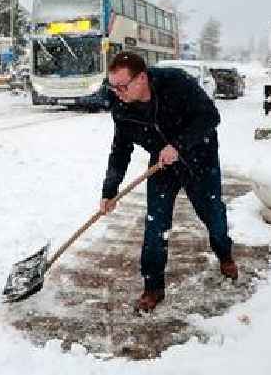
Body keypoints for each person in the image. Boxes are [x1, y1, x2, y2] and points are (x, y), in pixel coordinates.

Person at [99, 51, 237, 312]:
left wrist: (179, 145)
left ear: (141, 78)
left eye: (122, 86)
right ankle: (153, 287)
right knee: (155, 225)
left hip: (199, 158)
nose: (117, 92)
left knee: (212, 214)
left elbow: (210, 117)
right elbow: (120, 150)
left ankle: (224, 254)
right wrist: (109, 191)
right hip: (162, 165)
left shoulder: (176, 82)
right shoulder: (121, 107)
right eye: (112, 86)